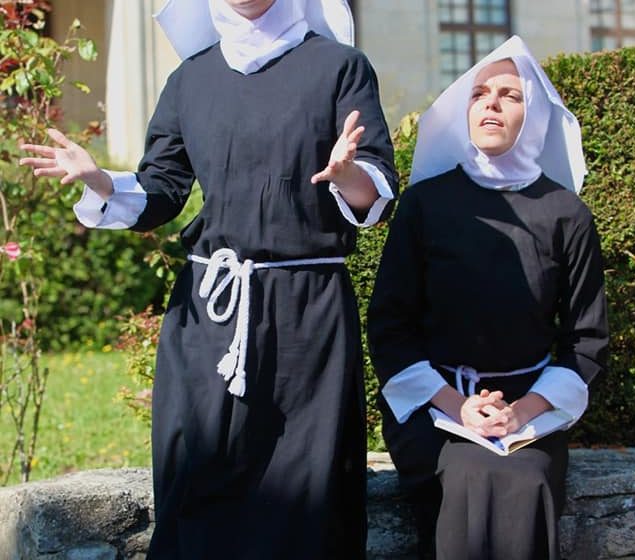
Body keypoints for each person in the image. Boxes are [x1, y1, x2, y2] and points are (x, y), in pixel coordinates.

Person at [20, 1, 398, 558]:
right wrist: (101, 182)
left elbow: (376, 190)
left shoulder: (339, 68)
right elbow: (163, 188)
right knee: (196, 485)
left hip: (307, 317)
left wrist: (347, 175)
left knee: (308, 497)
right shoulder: (191, 78)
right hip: (209, 316)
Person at [367, 36, 608, 560]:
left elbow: (587, 341)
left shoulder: (566, 214)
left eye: (509, 95)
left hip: (531, 413)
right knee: (469, 473)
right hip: (433, 409)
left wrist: (522, 413)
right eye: (479, 93)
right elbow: (389, 325)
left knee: (525, 479)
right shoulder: (425, 206)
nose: (491, 104)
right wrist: (458, 407)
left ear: (536, 114)